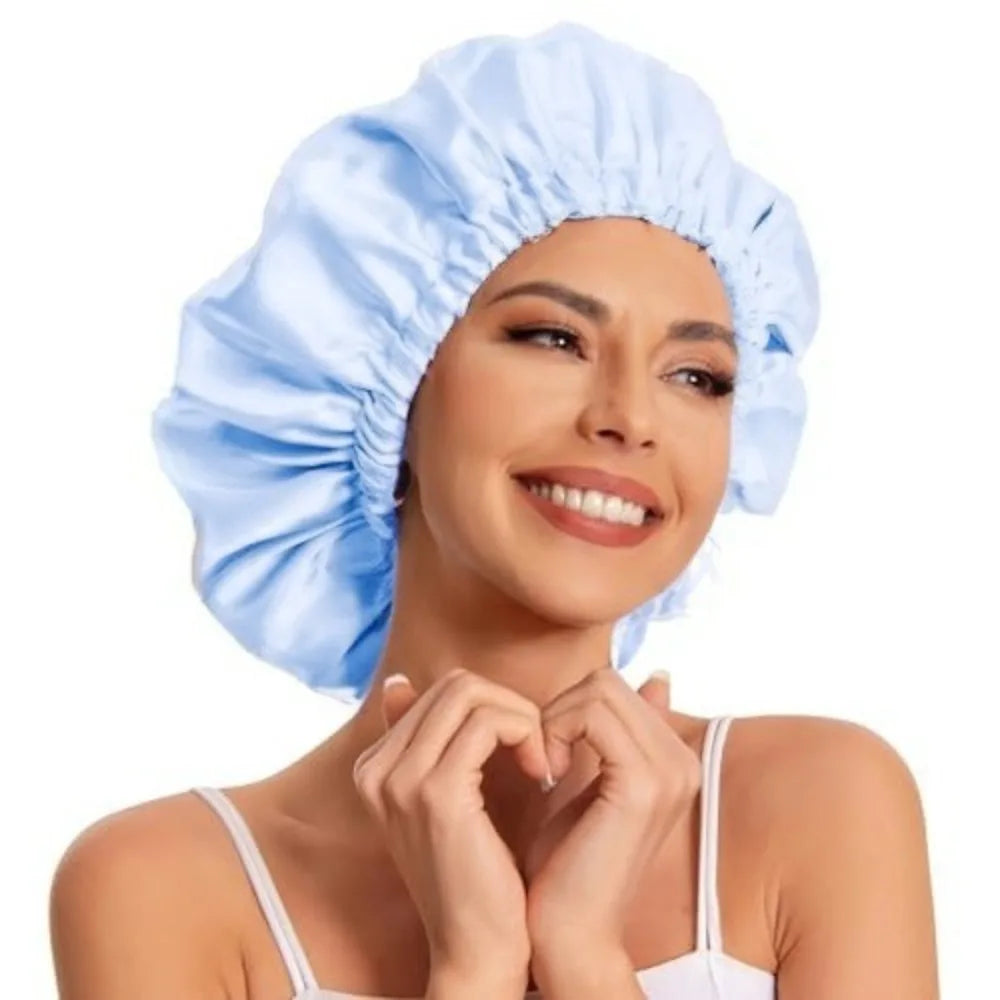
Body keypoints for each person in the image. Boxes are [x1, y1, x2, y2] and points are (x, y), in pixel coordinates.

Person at [48, 21, 938, 1000]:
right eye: (552, 338)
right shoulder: (160, 886)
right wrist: (473, 962)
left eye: (696, 374)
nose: (630, 418)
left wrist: (579, 949)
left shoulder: (820, 802)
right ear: (391, 379)